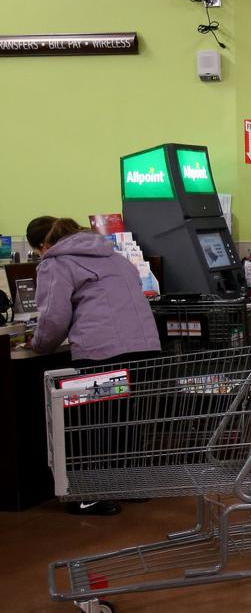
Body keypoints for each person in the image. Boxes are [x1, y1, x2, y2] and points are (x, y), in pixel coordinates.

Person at [27, 215, 162, 516]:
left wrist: (39, 346)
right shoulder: (112, 256)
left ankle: (90, 493)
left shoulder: (55, 263)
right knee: (120, 416)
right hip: (141, 347)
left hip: (102, 351)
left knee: (90, 422)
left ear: (44, 245)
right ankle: (129, 483)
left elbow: (53, 317)